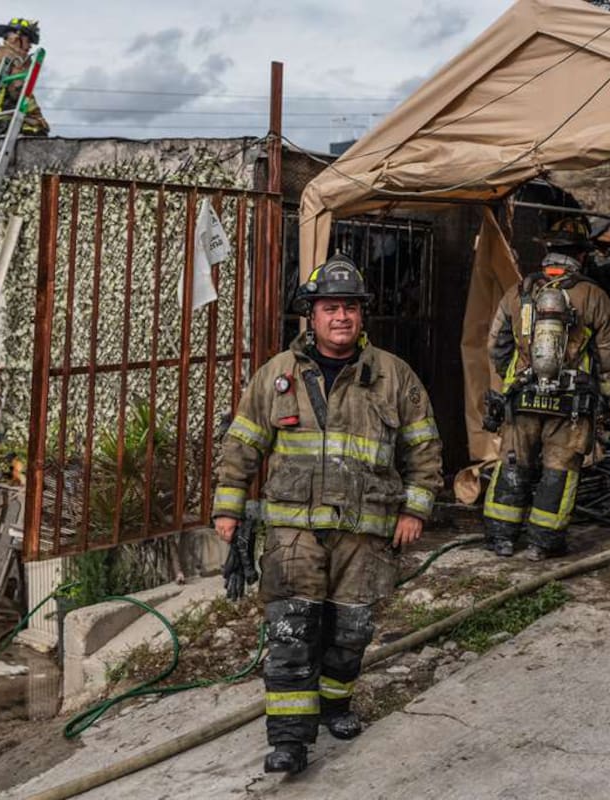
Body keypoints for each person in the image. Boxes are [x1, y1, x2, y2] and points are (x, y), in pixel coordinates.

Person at [212, 254, 443, 775]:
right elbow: (242, 444)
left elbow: (424, 450)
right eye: (331, 308)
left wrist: (415, 511)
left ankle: (335, 703)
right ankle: (290, 740)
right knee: (292, 633)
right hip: (294, 534)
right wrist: (228, 508)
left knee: (351, 631)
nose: (342, 317)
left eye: (351, 308)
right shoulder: (278, 376)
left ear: (362, 317)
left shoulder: (393, 376)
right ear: (310, 315)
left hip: (366, 535)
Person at [483, 218, 610, 560]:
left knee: (513, 463)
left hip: (520, 398)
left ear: (549, 251)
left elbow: (495, 344)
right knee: (559, 469)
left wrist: (513, 377)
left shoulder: (517, 292)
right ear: (581, 254)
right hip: (571, 404)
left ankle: (501, 538)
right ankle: (542, 544)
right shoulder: (593, 296)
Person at [0, 17, 50, 137]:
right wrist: (37, 117)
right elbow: (19, 90)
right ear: (17, 37)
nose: (30, 47)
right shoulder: (13, 57)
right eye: (29, 41)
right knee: (39, 129)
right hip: (5, 117)